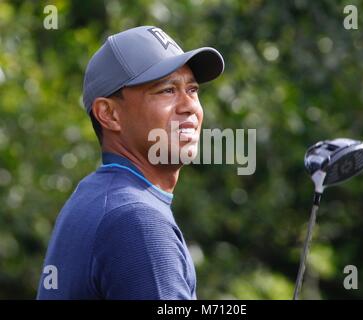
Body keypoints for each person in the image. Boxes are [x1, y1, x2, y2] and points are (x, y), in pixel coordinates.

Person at [37, 26, 224, 299]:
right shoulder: (137, 220)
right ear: (109, 114)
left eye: (192, 89)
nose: (189, 106)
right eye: (167, 90)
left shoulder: (97, 194)